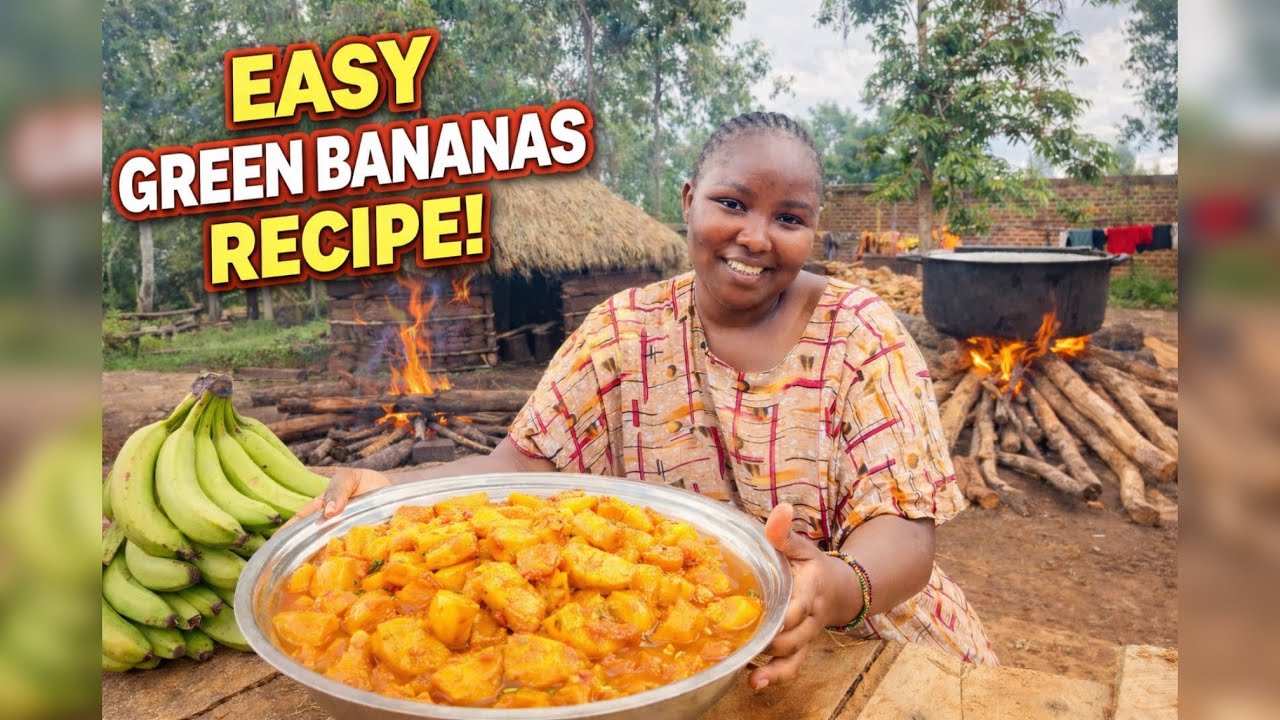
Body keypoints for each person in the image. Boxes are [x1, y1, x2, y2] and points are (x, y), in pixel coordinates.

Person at [291, 111, 999, 685]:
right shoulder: (624, 330)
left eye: (789, 218)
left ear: (814, 229)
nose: (755, 237)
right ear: (688, 200)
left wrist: (829, 590)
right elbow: (521, 465)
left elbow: (907, 536)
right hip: (682, 659)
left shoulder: (860, 333)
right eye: (731, 204)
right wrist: (394, 488)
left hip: (870, 646)